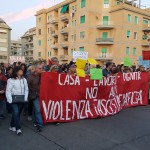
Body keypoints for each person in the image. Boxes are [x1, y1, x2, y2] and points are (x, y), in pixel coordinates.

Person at [6, 67, 28, 135]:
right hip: (13, 99)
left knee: (17, 114)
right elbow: (8, 90)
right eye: (21, 70)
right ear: (16, 71)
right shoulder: (11, 80)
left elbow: (26, 89)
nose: (22, 71)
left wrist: (25, 98)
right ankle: (18, 128)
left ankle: (12, 125)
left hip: (22, 99)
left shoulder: (24, 79)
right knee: (16, 112)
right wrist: (10, 100)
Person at [27, 65, 43, 132]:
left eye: (42, 68)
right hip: (34, 95)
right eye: (40, 68)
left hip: (42, 95)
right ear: (36, 69)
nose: (41, 69)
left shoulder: (43, 75)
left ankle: (37, 122)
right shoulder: (29, 76)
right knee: (37, 109)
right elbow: (27, 87)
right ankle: (40, 124)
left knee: (38, 109)